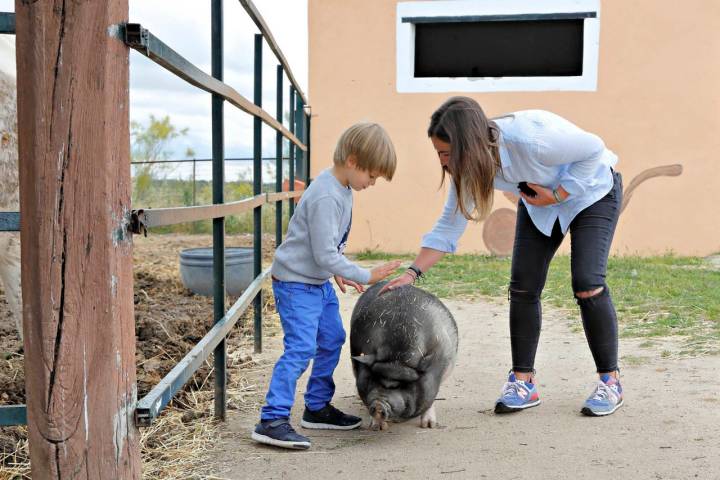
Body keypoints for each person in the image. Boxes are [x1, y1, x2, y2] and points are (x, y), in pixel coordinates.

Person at [382, 96, 624, 417]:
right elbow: (449, 226)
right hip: (539, 202)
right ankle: (523, 382)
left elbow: (593, 148)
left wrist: (559, 194)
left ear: (468, 144)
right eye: (438, 154)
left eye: (445, 153)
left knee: (587, 283)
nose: (442, 163)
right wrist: (412, 273)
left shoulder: (530, 140)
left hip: (591, 192)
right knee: (522, 286)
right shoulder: (468, 167)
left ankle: (610, 381)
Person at [252, 122, 402, 450]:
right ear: (352, 160)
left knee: (332, 338)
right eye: (372, 176)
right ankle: (272, 419)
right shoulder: (325, 196)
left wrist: (337, 270)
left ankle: (317, 407)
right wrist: (366, 274)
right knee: (301, 348)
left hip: (316, 281)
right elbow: (323, 252)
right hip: (296, 284)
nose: (373, 183)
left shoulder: (343, 188)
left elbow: (328, 247)